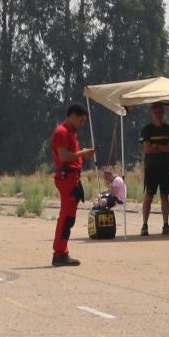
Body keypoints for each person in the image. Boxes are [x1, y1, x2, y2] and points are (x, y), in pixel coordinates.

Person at [50, 103, 96, 267]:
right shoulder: (62, 132)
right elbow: (64, 156)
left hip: (72, 177)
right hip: (66, 177)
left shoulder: (70, 133)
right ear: (73, 116)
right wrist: (82, 153)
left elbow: (71, 155)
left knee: (68, 216)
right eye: (81, 120)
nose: (82, 124)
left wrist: (81, 154)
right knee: (67, 217)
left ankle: (62, 251)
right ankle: (60, 253)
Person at [137, 101, 169, 236]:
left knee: (165, 196)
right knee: (149, 195)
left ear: (163, 112)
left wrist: (156, 146)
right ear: (151, 113)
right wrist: (162, 146)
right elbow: (147, 149)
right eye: (155, 112)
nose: (158, 114)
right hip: (151, 168)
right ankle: (144, 225)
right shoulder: (147, 129)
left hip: (165, 167)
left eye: (160, 111)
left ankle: (166, 225)